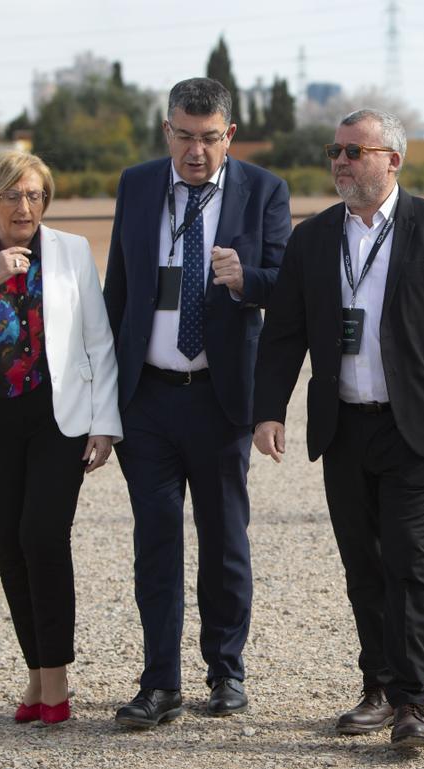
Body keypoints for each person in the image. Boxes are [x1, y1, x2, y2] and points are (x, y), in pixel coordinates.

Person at [252, 109, 424, 749]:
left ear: (393, 160)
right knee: (362, 565)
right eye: (335, 151)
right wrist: (269, 409)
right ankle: (375, 687)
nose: (342, 162)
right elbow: (286, 331)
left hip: (415, 429)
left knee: (409, 559)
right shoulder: (314, 238)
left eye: (355, 151)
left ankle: (410, 701)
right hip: (343, 426)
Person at [102, 77, 291, 728]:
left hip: (218, 399)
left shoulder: (262, 191)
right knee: (155, 542)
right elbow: (117, 298)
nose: (196, 152)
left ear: (229, 136)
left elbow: (288, 286)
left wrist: (248, 278)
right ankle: (160, 684)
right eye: (184, 136)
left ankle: (225, 671)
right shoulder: (135, 186)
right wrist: (105, 407)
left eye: (209, 138)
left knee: (224, 542)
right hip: (147, 399)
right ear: (167, 131)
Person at [0, 150, 122, 726]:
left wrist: (106, 423)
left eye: (35, 195)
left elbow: (98, 340)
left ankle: (56, 682)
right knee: (9, 544)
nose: (25, 206)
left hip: (61, 419)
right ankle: (36, 674)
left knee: (43, 535)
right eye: (13, 195)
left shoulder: (72, 252)